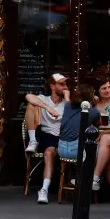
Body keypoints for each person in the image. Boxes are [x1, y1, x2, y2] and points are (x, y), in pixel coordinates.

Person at [24, 74, 68, 204]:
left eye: (66, 84)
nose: (65, 87)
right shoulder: (44, 99)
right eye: (62, 84)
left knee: (50, 152)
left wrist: (68, 99)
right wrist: (48, 108)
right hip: (45, 135)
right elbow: (28, 97)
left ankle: (45, 188)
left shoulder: (68, 102)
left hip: (63, 136)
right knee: (31, 105)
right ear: (52, 86)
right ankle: (44, 190)